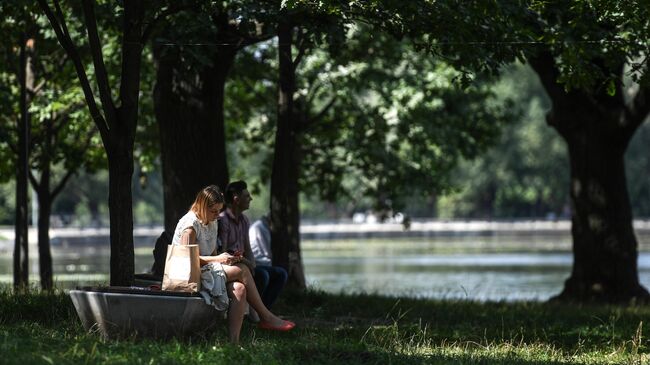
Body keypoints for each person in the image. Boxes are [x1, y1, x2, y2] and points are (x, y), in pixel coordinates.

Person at [172, 185, 294, 345]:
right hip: (187, 275)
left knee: (240, 289)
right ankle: (266, 317)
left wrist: (226, 259)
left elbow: (212, 254)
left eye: (218, 211)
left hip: (204, 271)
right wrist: (219, 260)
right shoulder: (190, 225)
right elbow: (186, 260)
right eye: (214, 211)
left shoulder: (211, 220)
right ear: (202, 206)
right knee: (242, 270)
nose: (217, 215)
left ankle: (233, 344)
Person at [249, 214, 288, 308]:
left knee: (281, 273)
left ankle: (265, 309)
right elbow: (267, 252)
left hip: (257, 261)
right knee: (265, 275)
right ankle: (261, 308)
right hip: (258, 262)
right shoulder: (261, 227)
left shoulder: (259, 226)